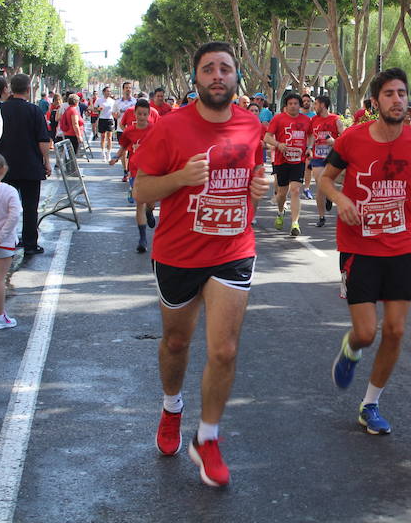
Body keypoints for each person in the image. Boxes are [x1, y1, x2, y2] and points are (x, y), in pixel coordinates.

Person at [133, 41, 269, 487]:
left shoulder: (251, 126)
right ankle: (172, 408)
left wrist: (259, 188)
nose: (217, 75)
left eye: (225, 68)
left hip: (233, 249)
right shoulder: (170, 128)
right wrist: (180, 179)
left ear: (236, 78)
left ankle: (207, 438)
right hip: (178, 253)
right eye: (208, 68)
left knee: (225, 349)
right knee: (176, 343)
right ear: (195, 79)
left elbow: (253, 178)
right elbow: (142, 191)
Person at [321, 67, 411, 435]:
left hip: (400, 245)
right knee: (366, 333)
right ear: (376, 102)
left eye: (402, 93)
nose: (397, 100)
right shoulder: (353, 140)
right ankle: (351, 348)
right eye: (389, 94)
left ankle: (370, 404)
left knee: (396, 330)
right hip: (359, 246)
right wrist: (341, 199)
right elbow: (325, 179)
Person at [0, 74, 51, 255]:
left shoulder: (1, 109)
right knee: (30, 207)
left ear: (11, 88)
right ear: (28, 89)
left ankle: (5, 241)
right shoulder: (35, 111)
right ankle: (30, 243)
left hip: (4, 167)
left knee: (3, 206)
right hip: (30, 166)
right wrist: (47, 162)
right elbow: (43, 140)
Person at [109, 99, 157, 252]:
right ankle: (142, 239)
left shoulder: (155, 129)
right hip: (135, 169)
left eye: (145, 114)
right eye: (139, 114)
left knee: (149, 202)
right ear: (134, 114)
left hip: (152, 170)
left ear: (149, 114)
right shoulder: (129, 130)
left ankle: (150, 211)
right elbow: (123, 145)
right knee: (139, 202)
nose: (142, 117)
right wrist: (116, 157)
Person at [265, 93, 313, 236]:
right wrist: (278, 144)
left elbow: (310, 135)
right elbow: (267, 137)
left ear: (300, 105)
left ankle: (295, 223)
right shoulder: (278, 119)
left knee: (296, 190)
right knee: (281, 193)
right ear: (286, 106)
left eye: (296, 103)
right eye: (290, 103)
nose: (293, 106)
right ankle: (280, 212)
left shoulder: (306, 120)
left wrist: (309, 147)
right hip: (282, 160)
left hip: (298, 160)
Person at [0, 151, 21, 329]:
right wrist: (0, 236)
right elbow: (14, 216)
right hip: (3, 243)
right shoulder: (8, 191)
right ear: (3, 169)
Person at [309, 95, 341, 227]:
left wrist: (334, 141)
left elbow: (344, 137)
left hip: (332, 156)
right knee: (320, 184)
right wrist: (309, 147)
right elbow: (310, 135)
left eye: (315, 104)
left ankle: (328, 195)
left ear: (322, 105)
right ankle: (321, 217)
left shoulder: (335, 119)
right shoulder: (313, 120)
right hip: (317, 156)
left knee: (325, 184)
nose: (314, 106)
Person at [300, 94, 317, 200]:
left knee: (308, 168)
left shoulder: (314, 116)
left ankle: (306, 188)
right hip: (297, 145)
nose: (306, 102)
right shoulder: (298, 115)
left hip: (309, 145)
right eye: (304, 101)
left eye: (308, 101)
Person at [94, 86, 116, 160]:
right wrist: (98, 109)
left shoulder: (112, 101)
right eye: (107, 91)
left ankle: (108, 153)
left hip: (110, 119)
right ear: (103, 92)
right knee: (103, 137)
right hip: (102, 119)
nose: (109, 93)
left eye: (110, 91)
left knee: (109, 138)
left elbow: (115, 110)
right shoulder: (99, 100)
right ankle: (103, 152)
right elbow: (94, 109)